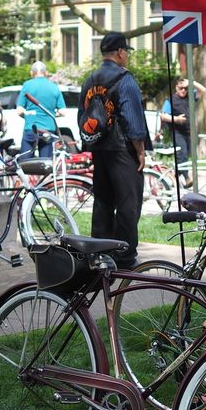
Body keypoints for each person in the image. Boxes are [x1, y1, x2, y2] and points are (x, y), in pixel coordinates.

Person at [80, 32, 149, 270]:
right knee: (129, 204)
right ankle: (125, 257)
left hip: (99, 148)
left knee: (103, 202)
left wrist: (89, 146)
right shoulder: (124, 78)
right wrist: (140, 150)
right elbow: (132, 117)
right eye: (126, 52)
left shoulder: (90, 79)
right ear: (120, 52)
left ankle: (100, 255)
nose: (126, 56)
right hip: (122, 149)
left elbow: (83, 114)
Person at [15, 62, 64, 159]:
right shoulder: (54, 86)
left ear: (31, 73)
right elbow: (63, 111)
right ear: (46, 73)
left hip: (31, 128)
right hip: (48, 130)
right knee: (45, 163)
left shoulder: (27, 85)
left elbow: (19, 111)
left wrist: (28, 116)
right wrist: (52, 114)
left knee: (26, 163)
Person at [159, 77, 206, 173]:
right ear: (176, 88)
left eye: (185, 88)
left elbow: (203, 90)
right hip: (176, 132)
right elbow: (163, 116)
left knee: (185, 155)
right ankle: (186, 178)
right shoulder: (170, 100)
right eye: (181, 88)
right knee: (182, 154)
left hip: (188, 131)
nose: (183, 90)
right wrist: (177, 119)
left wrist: (191, 82)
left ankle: (177, 175)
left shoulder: (190, 97)